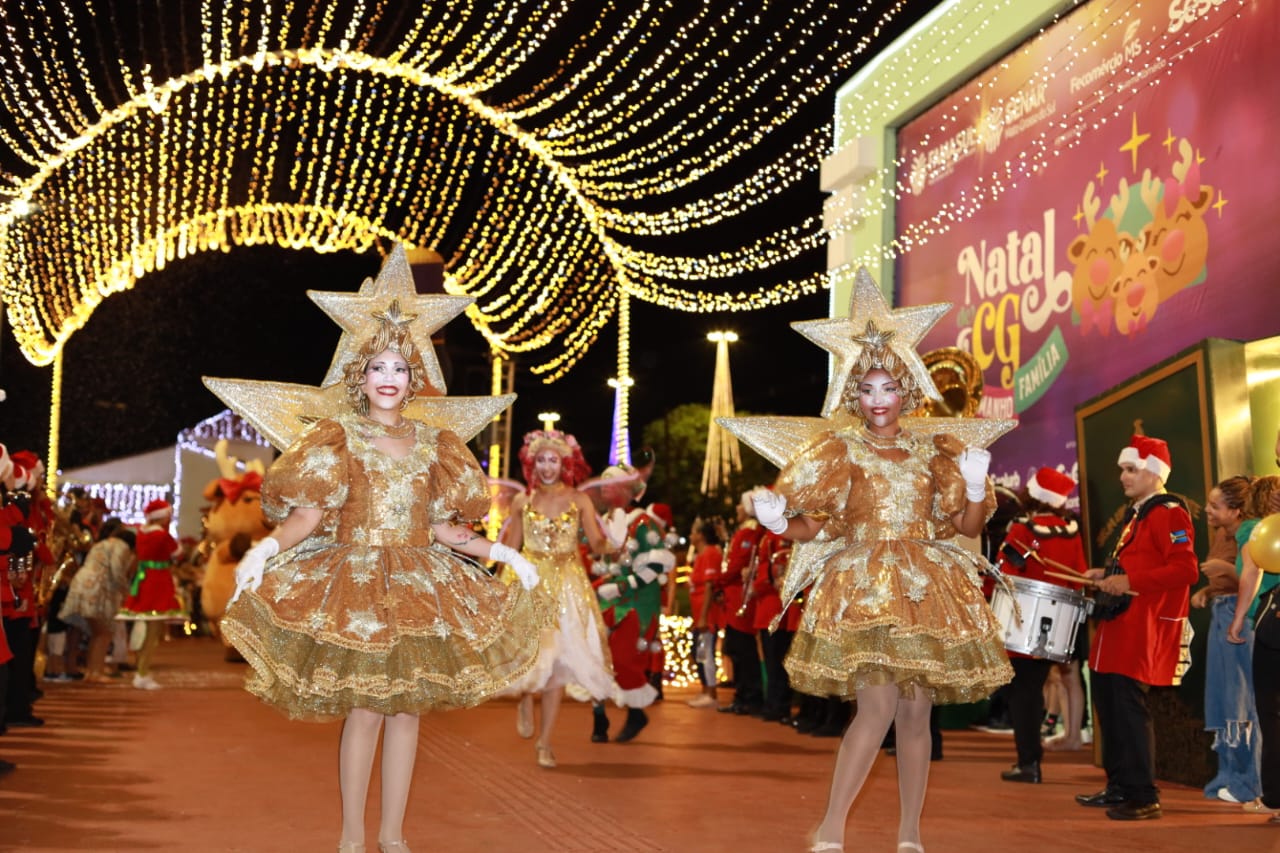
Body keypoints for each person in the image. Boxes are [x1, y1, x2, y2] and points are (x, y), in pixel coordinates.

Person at [219, 300, 543, 853]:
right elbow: (308, 516)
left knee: (407, 710)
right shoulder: (337, 438)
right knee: (367, 710)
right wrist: (263, 551)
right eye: (378, 368)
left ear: (414, 378)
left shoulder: (435, 445)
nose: (388, 379)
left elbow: (444, 528)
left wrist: (505, 555)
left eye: (399, 368)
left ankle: (393, 836)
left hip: (419, 583)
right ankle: (351, 837)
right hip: (358, 583)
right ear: (360, 376)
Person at [751, 321, 1012, 853]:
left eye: (888, 388)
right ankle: (830, 828)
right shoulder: (840, 451)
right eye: (867, 389)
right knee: (875, 709)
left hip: (926, 588)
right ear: (853, 394)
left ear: (907, 391)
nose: (878, 400)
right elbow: (818, 526)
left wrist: (977, 486)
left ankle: (910, 834)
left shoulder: (933, 453)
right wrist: (780, 523)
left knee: (917, 714)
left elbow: (966, 527)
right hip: (867, 587)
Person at [1075, 435, 1198, 821]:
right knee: (1110, 709)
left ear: (1153, 472)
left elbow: (1185, 569)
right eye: (1123, 470)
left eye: (1131, 469)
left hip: (1141, 627)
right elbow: (1139, 564)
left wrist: (1128, 581)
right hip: (1119, 627)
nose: (1123, 477)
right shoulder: (1139, 513)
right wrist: (1108, 574)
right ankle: (1119, 786)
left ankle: (1144, 795)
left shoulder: (1169, 513)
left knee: (1129, 710)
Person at [500, 428, 617, 769]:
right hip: (529, 580)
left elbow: (596, 543)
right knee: (530, 653)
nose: (547, 466)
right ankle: (525, 696)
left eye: (553, 460)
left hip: (568, 585)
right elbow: (512, 546)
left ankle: (545, 741)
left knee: (558, 666)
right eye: (541, 460)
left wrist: (614, 542)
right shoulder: (523, 501)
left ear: (564, 463)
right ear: (532, 464)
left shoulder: (580, 500)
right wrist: (493, 575)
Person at [992, 467, 1087, 784]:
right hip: (1060, 624)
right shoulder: (1072, 531)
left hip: (1024, 623)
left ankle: (1029, 761)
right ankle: (1033, 757)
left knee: (1023, 694)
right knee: (1039, 688)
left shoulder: (1022, 529)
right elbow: (1080, 576)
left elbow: (1006, 575)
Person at [588, 467, 674, 744]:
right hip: (609, 599)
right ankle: (599, 718)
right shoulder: (605, 522)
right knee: (594, 658)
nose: (603, 489)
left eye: (609, 484)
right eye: (602, 484)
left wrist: (623, 586)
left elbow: (657, 565)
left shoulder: (643, 524)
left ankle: (636, 713)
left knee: (624, 659)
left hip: (637, 604)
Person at [1192, 475, 1263, 804]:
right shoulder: (1223, 534)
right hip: (1222, 616)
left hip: (1240, 618)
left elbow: (1252, 577)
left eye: (1215, 505)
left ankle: (1250, 780)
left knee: (1242, 701)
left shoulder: (1251, 532)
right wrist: (1208, 590)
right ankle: (1229, 773)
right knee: (1222, 699)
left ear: (1236, 511)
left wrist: (1223, 568)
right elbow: (1228, 579)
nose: (1207, 510)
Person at [1227, 474, 1280, 824]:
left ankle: (1274, 798)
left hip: (1272, 621)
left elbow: (1251, 573)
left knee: (1272, 713)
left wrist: (1238, 618)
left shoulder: (1254, 531)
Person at [117, 499, 186, 690]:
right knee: (153, 632)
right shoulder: (162, 535)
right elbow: (177, 554)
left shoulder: (141, 533)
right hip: (158, 582)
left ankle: (142, 670)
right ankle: (142, 673)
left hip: (144, 579)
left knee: (144, 628)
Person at [59, 519, 136, 682]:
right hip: (97, 589)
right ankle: (95, 672)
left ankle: (93, 671)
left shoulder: (101, 544)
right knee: (103, 633)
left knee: (96, 632)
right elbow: (116, 571)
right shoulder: (121, 547)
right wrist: (125, 591)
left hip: (81, 584)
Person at [718, 493, 765, 715]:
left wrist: (719, 580)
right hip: (734, 598)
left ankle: (749, 696)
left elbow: (737, 564)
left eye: (740, 504)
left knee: (742, 650)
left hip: (740, 598)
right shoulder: (747, 531)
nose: (737, 508)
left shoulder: (749, 533)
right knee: (737, 649)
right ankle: (743, 695)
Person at [685, 516, 724, 709]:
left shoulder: (709, 553)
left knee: (706, 653)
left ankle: (711, 693)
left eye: (693, 532)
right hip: (699, 614)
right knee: (699, 653)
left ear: (700, 535)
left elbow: (709, 587)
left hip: (706, 615)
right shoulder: (701, 556)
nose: (690, 536)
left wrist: (702, 617)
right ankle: (705, 691)